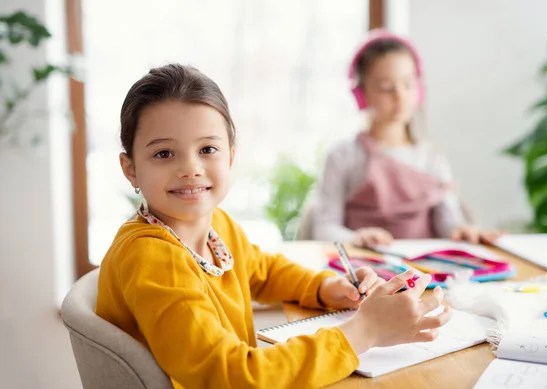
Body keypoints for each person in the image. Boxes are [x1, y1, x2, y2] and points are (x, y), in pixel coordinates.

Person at [95, 63, 451, 389]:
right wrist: (366, 329)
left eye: (207, 149)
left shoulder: (215, 224)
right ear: (131, 169)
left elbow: (260, 271)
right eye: (163, 154)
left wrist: (325, 288)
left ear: (231, 156)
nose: (191, 168)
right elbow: (232, 375)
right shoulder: (152, 257)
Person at [312, 29, 499, 248]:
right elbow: (324, 228)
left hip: (422, 274)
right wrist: (355, 238)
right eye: (386, 87)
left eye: (408, 85)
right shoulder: (342, 156)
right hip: (364, 272)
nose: (399, 95)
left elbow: (448, 223)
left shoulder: (430, 158)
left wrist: (462, 231)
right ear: (361, 94)